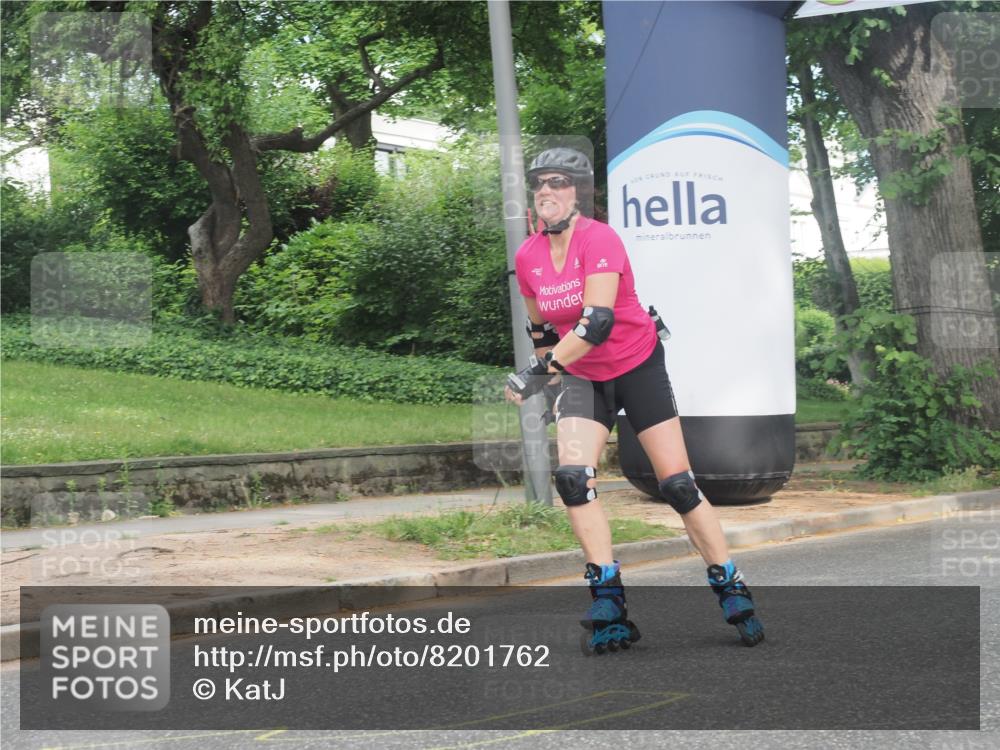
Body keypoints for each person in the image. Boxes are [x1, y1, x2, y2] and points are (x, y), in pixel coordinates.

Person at [505, 147, 764, 652]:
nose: (545, 192)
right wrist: (553, 380)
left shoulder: (599, 239)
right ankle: (608, 596)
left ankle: (729, 584)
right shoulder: (528, 255)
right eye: (538, 184)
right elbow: (539, 325)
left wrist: (538, 372)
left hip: (635, 363)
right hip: (581, 375)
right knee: (573, 478)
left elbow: (595, 324)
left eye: (557, 183)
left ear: (578, 192)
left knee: (678, 485)